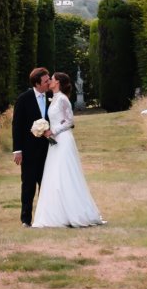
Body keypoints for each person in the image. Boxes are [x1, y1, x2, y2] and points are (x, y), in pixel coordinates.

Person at [32, 72, 105, 228]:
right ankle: (58, 214)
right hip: (55, 142)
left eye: (51, 78)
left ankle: (74, 212)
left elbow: (70, 121)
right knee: (54, 175)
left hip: (63, 140)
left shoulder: (63, 99)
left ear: (57, 82)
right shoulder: (55, 98)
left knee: (64, 173)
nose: (49, 80)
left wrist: (53, 130)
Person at [11, 67, 53, 226]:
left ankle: (46, 217)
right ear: (37, 83)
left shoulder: (52, 96)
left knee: (47, 184)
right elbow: (17, 125)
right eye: (46, 81)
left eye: (49, 79)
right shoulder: (24, 98)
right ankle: (26, 219)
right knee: (28, 185)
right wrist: (17, 150)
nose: (49, 82)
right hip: (29, 151)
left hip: (49, 150)